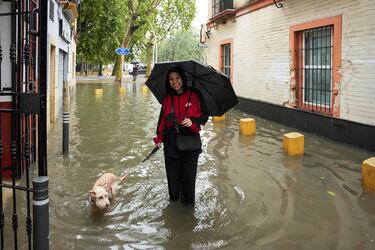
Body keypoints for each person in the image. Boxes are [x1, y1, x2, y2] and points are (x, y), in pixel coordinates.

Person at [153, 66, 208, 205]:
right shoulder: (167, 98)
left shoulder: (194, 95)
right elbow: (162, 120)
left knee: (189, 180)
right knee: (173, 180)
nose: (174, 81)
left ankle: (188, 208)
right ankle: (173, 205)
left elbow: (204, 116)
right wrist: (159, 138)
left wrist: (193, 121)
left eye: (177, 78)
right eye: (171, 79)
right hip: (171, 144)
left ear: (182, 78)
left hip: (190, 142)